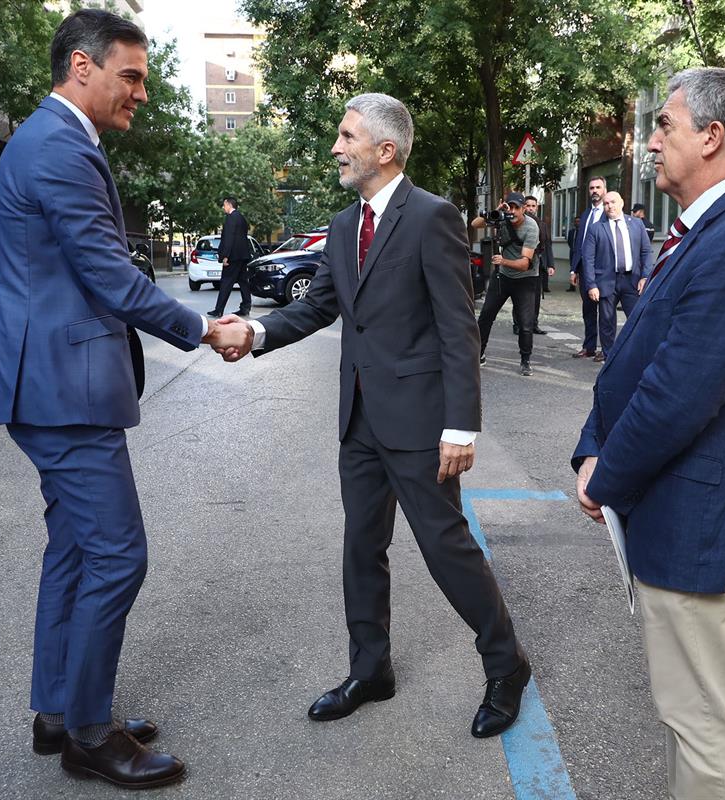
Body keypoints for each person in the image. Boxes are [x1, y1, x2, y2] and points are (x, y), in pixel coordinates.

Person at [0, 9, 245, 789]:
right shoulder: (59, 145)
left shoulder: (51, 139)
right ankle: (90, 734)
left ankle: (59, 710)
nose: (141, 93)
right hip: (64, 394)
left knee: (73, 550)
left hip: (52, 386)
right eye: (130, 76)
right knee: (118, 556)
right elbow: (107, 274)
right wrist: (204, 329)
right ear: (82, 68)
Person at [213, 93, 530, 739]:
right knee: (362, 547)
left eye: (346, 136)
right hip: (358, 419)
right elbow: (318, 308)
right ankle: (371, 669)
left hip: (418, 423)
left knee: (446, 548)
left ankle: (506, 665)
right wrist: (254, 330)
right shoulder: (339, 225)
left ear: (384, 150)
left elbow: (455, 326)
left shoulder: (430, 217)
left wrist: (460, 425)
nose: (336, 146)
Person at [572, 67, 725, 800]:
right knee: (686, 714)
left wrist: (604, 477)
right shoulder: (711, 233)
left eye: (664, 124)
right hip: (681, 517)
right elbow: (639, 361)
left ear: (712, 138)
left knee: (702, 721)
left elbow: (675, 397)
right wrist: (591, 444)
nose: (648, 140)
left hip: (699, 524)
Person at [473, 192, 541, 376]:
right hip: (502, 277)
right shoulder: (501, 219)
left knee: (526, 323)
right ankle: (478, 354)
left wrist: (503, 261)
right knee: (486, 315)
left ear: (523, 209)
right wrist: (494, 213)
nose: (512, 211)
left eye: (516, 208)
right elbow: (475, 224)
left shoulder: (531, 227)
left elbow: (524, 264)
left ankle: (525, 360)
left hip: (526, 278)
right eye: (509, 207)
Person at [581, 191, 653, 360]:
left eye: (613, 202)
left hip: (632, 280)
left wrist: (645, 276)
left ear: (622, 203)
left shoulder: (636, 224)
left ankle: (636, 355)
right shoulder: (596, 228)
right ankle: (609, 356)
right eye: (606, 203)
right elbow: (588, 259)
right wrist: (591, 285)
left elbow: (646, 251)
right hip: (606, 281)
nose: (609, 206)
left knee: (637, 319)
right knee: (606, 322)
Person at [569, 176, 607, 357]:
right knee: (588, 310)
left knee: (606, 310)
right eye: (592, 188)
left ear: (604, 190)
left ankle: (606, 348)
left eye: (598, 187)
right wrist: (574, 269)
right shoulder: (585, 215)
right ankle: (589, 346)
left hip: (604, 269)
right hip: (585, 269)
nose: (595, 191)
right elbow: (579, 244)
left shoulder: (610, 214)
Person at [209, 196, 253, 317]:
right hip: (243, 255)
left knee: (226, 282)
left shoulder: (230, 218)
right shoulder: (242, 218)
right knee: (243, 282)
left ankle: (219, 310)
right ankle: (245, 307)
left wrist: (225, 256)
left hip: (232, 256)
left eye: (224, 205)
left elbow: (229, 238)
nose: (223, 208)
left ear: (229, 205)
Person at [519, 194, 555, 336]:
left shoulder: (542, 224)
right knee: (521, 296)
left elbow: (548, 245)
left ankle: (534, 324)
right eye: (528, 206)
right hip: (522, 264)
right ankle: (519, 324)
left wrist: (550, 264)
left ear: (537, 208)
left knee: (536, 297)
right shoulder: (518, 223)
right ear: (523, 207)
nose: (530, 209)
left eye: (533, 206)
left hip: (538, 265)